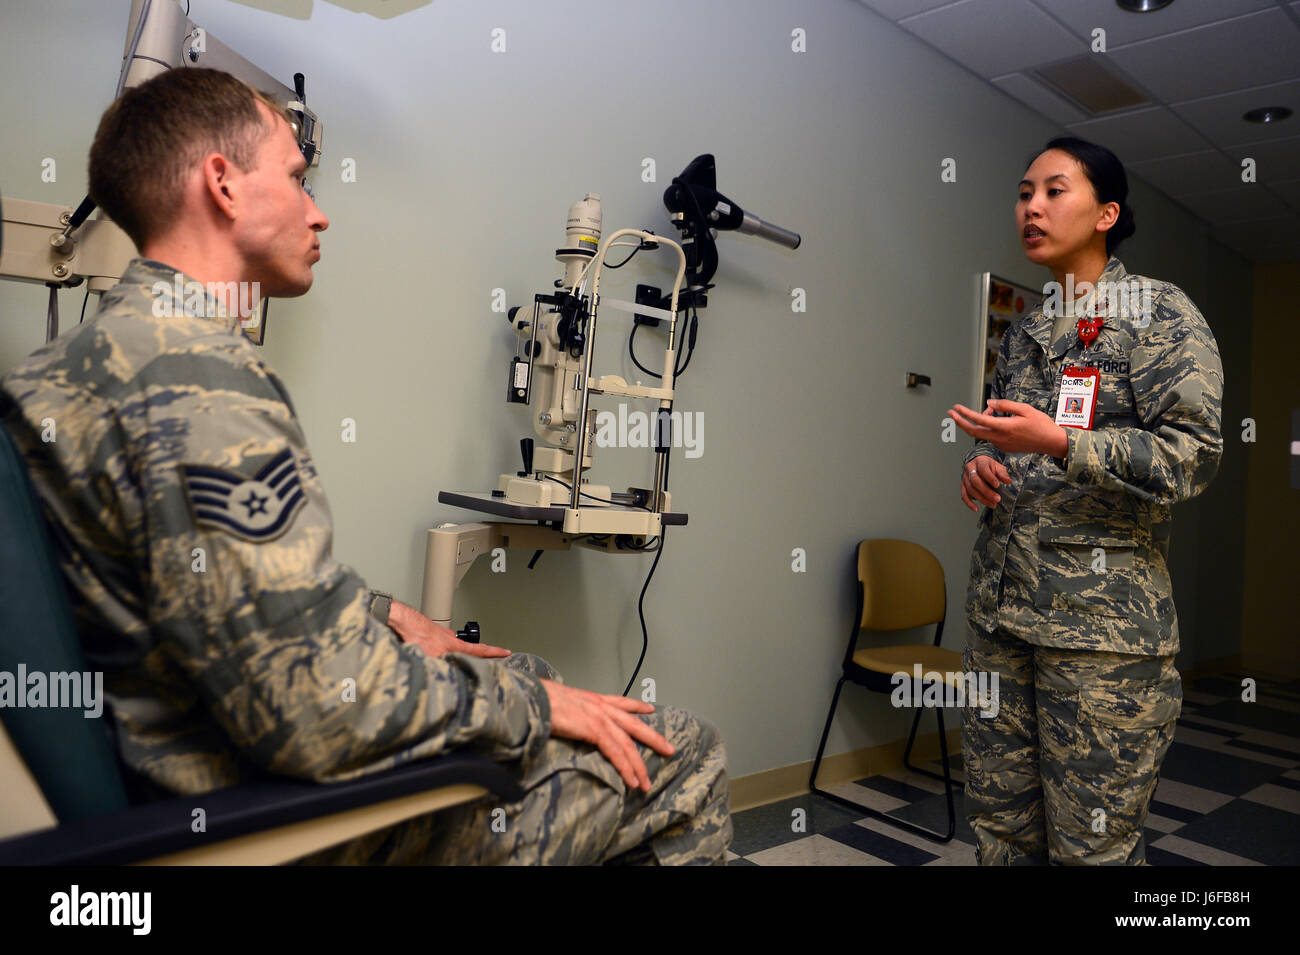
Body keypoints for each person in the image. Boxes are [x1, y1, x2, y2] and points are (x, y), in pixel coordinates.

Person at [0, 67, 730, 865]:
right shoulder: (199, 379)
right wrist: (530, 704)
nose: (319, 212)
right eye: (297, 179)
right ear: (222, 184)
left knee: (522, 669)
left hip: (180, 754)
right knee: (678, 745)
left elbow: (201, 580)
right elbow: (315, 712)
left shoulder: (77, 361)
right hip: (266, 819)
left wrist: (388, 615)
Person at [946, 136, 1223, 865]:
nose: (1031, 207)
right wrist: (982, 465)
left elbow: (1192, 457)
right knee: (1001, 836)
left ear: (1106, 213)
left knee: (1089, 850)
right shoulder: (1025, 332)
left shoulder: (1158, 314)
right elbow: (1013, 445)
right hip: (1002, 622)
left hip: (1101, 640)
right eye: (1023, 192)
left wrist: (1069, 445)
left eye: (1053, 190)